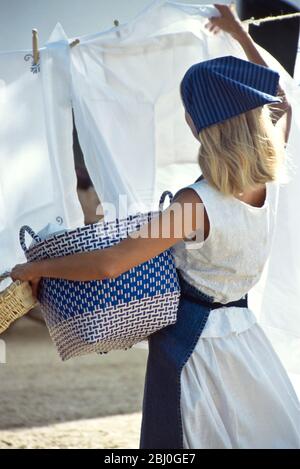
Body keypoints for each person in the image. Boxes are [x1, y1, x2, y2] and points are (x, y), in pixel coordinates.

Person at [11, 4, 300, 448]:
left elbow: (110, 263)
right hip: (245, 337)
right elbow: (281, 99)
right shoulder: (266, 180)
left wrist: (38, 270)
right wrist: (239, 35)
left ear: (198, 127)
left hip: (192, 346)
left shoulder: (196, 205)